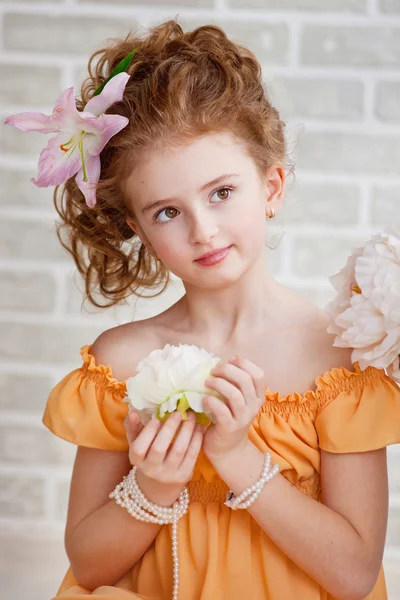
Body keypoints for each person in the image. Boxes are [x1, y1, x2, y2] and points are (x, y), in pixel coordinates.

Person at [13, 18, 400, 600]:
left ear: (271, 188)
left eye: (222, 192)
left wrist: (238, 457)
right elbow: (89, 568)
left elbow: (353, 575)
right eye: (167, 211)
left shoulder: (340, 360)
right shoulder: (119, 364)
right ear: (135, 226)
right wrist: (153, 485)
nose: (204, 230)